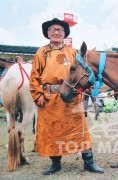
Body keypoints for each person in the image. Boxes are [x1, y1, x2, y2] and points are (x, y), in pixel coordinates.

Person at [29, 18, 104, 175]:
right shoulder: (41, 52)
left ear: (64, 34)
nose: (56, 32)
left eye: (59, 30)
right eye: (53, 29)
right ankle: (55, 164)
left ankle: (89, 163)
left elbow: (83, 72)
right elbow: (34, 76)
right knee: (52, 131)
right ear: (48, 33)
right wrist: (37, 95)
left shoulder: (73, 52)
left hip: (72, 97)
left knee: (80, 130)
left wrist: (85, 87)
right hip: (49, 99)